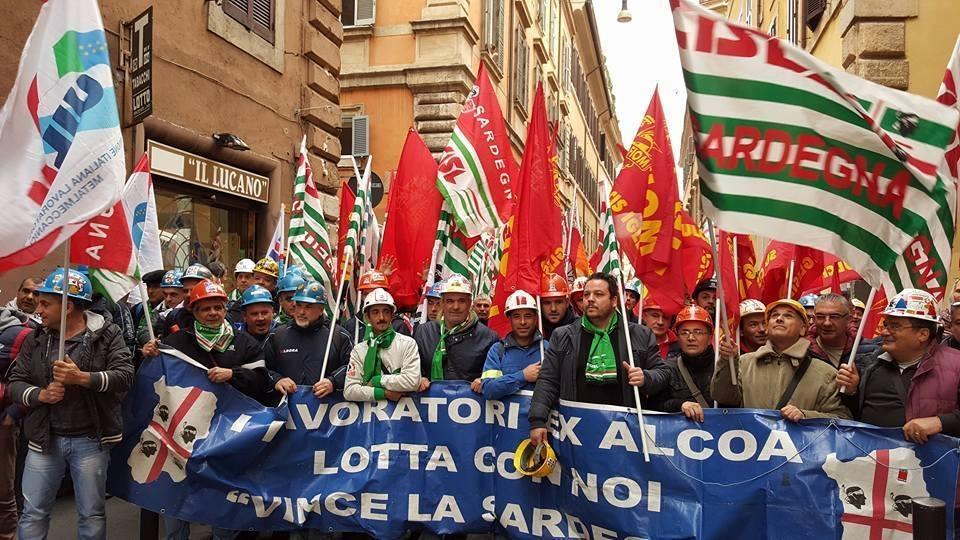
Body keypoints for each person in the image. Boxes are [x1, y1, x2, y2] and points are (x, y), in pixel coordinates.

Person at [9, 269, 134, 539]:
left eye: (46, 303)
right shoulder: (36, 338)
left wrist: (82, 378)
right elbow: (16, 382)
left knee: (91, 514)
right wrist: (40, 395)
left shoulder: (108, 334)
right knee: (33, 513)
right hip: (44, 440)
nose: (38, 308)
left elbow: (125, 376)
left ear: (68, 307)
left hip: (91, 439)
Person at [529, 272, 672, 445]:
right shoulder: (563, 336)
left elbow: (663, 373)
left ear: (614, 301)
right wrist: (537, 420)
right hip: (576, 430)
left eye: (598, 294)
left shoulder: (638, 334)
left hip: (625, 433)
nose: (590, 299)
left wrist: (646, 378)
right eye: (586, 295)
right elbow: (548, 380)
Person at [837, 289, 960, 446]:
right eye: (886, 324)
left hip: (929, 467)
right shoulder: (869, 363)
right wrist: (852, 392)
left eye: (895, 326)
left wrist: (940, 422)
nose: (884, 332)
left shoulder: (956, 365)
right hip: (875, 463)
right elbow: (854, 416)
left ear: (923, 334)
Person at [712, 299, 851, 422]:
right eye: (774, 316)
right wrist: (726, 361)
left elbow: (841, 418)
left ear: (803, 328)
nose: (779, 319)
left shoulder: (825, 373)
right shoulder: (744, 363)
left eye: (788, 315)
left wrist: (806, 416)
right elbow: (723, 397)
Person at [267, 281, 353, 401]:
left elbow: (352, 367)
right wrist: (277, 380)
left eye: (308, 306)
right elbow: (262, 370)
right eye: (299, 305)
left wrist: (333, 382)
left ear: (321, 309)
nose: (301, 312)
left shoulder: (338, 336)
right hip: (286, 413)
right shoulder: (277, 335)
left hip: (327, 413)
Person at [415, 274, 499, 393]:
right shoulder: (423, 332)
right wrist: (418, 377)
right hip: (429, 408)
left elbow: (498, 374)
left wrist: (486, 381)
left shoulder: (489, 337)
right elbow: (410, 369)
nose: (455, 307)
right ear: (442, 303)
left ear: (470, 304)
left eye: (461, 301)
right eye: (450, 301)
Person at [343, 289, 420, 402]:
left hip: (402, 416)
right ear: (367, 317)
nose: (381, 317)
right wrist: (384, 393)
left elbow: (413, 381)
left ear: (392, 315)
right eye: (375, 312)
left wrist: (377, 381)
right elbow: (349, 391)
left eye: (386, 312)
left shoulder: (408, 344)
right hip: (368, 417)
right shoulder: (359, 350)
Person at [480, 291, 547, 400]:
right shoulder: (497, 351)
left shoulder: (546, 349)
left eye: (528, 316)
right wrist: (523, 376)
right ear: (509, 319)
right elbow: (488, 390)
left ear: (536, 318)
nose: (522, 322)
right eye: (516, 316)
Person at [0, 307, 31, 537]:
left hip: (3, 421)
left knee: (3, 490)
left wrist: (13, 413)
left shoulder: (19, 334)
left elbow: (34, 376)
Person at [659, 306, 716, 421]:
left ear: (710, 337)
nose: (691, 338)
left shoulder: (722, 367)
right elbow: (654, 405)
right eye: (684, 333)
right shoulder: (668, 368)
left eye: (698, 332)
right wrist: (680, 405)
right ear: (678, 338)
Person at [807, 293, 877, 369]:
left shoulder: (870, 352)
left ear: (849, 319)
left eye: (834, 317)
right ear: (814, 319)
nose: (827, 323)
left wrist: (859, 380)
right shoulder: (803, 351)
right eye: (820, 317)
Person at [344, 270, 410, 342]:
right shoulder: (350, 325)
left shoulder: (398, 325)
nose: (372, 297)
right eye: (367, 294)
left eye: (375, 292)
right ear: (362, 295)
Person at [238, 285, 277, 350]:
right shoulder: (235, 337)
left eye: (264, 313)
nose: (260, 318)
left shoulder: (283, 335)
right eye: (254, 314)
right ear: (244, 316)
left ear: (272, 312)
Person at [540, 273, 576, 340]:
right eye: (547, 303)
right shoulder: (534, 330)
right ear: (540, 304)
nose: (553, 309)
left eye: (558, 302)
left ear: (567, 302)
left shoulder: (580, 328)